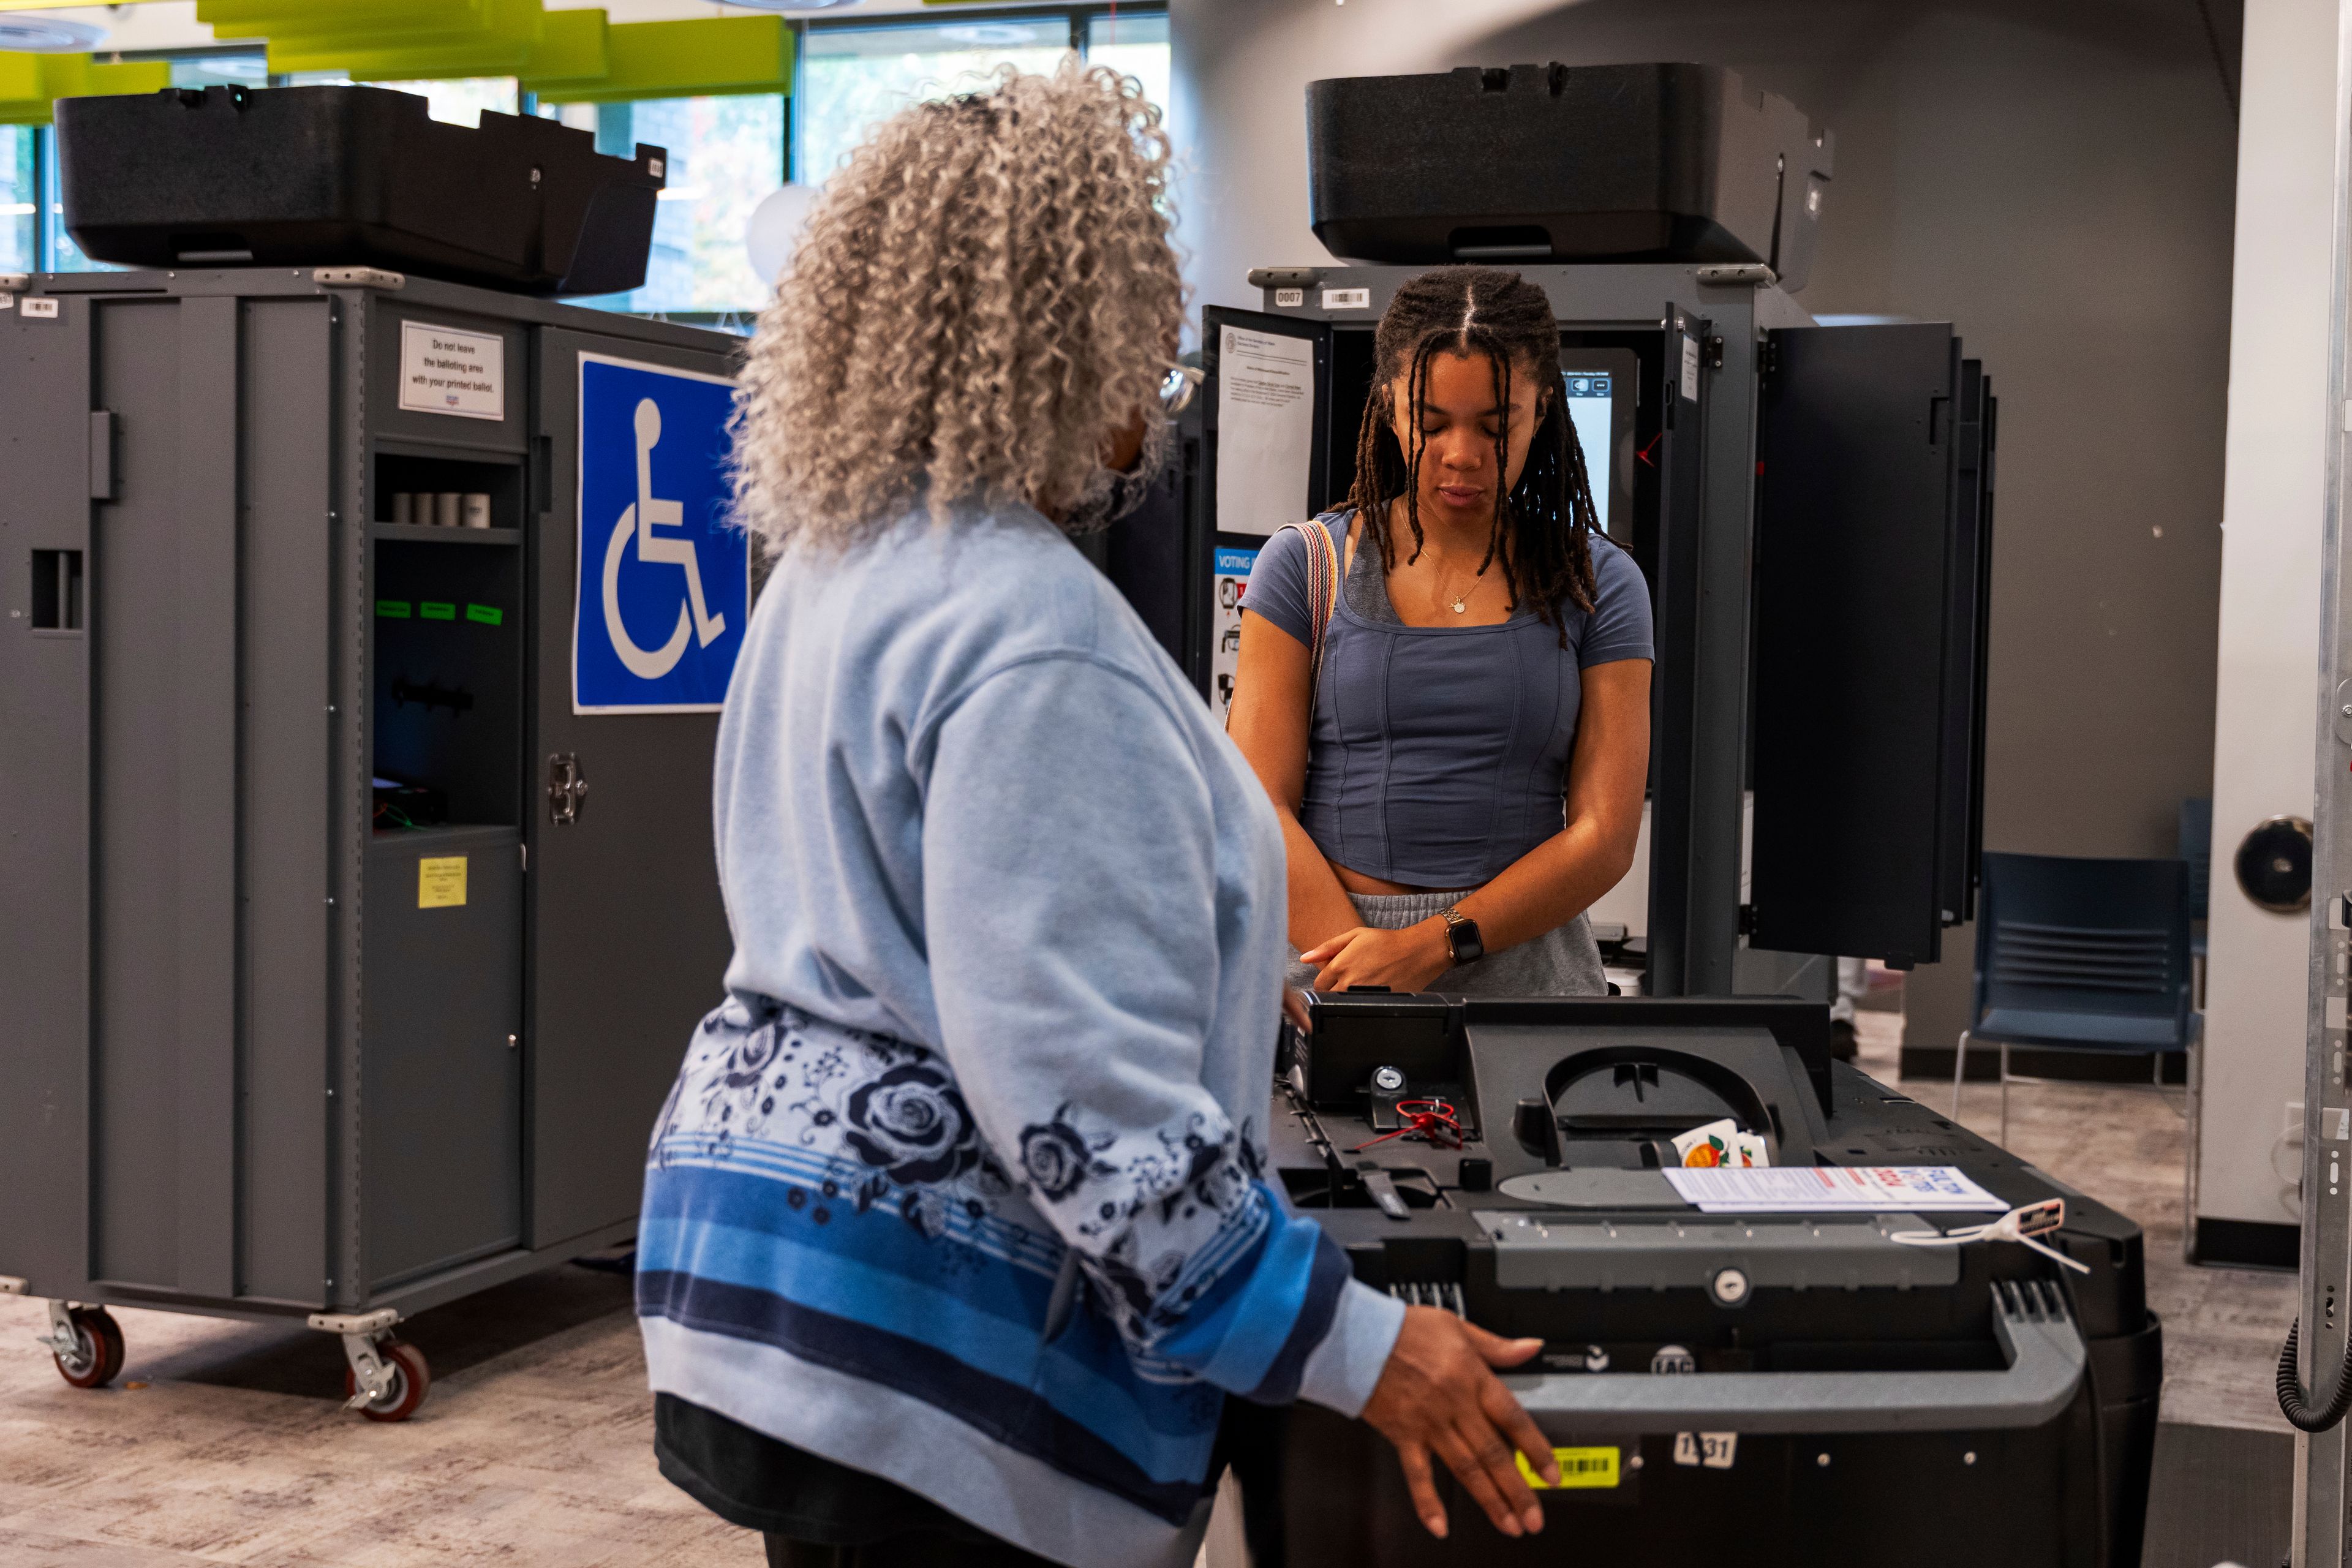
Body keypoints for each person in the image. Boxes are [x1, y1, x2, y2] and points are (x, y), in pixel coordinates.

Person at [635, 64, 1561, 1568]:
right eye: (1145, 323)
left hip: (765, 1279)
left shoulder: (834, 571)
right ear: (1073, 337)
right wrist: (1355, 1342)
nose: (1160, 375)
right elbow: (1081, 1097)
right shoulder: (1034, 639)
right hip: (938, 1342)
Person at [1228, 268, 1654, 998]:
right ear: (1391, 406)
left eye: (1496, 426)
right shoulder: (1304, 567)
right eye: (1432, 423)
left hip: (1526, 973)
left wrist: (1433, 946)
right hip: (1329, 967)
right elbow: (1254, 802)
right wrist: (1365, 977)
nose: (1462, 454)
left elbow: (1603, 835)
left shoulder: (1599, 583)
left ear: (1542, 410)